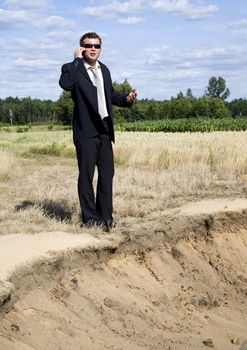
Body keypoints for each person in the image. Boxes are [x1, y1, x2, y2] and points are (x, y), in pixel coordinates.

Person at [59, 32, 137, 232]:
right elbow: (66, 85)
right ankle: (90, 220)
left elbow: (109, 95)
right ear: (82, 48)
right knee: (86, 176)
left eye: (97, 45)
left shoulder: (105, 70)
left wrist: (126, 100)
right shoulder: (72, 69)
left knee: (107, 174)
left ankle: (105, 218)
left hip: (104, 130)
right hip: (86, 131)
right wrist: (76, 60)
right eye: (89, 45)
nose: (93, 48)